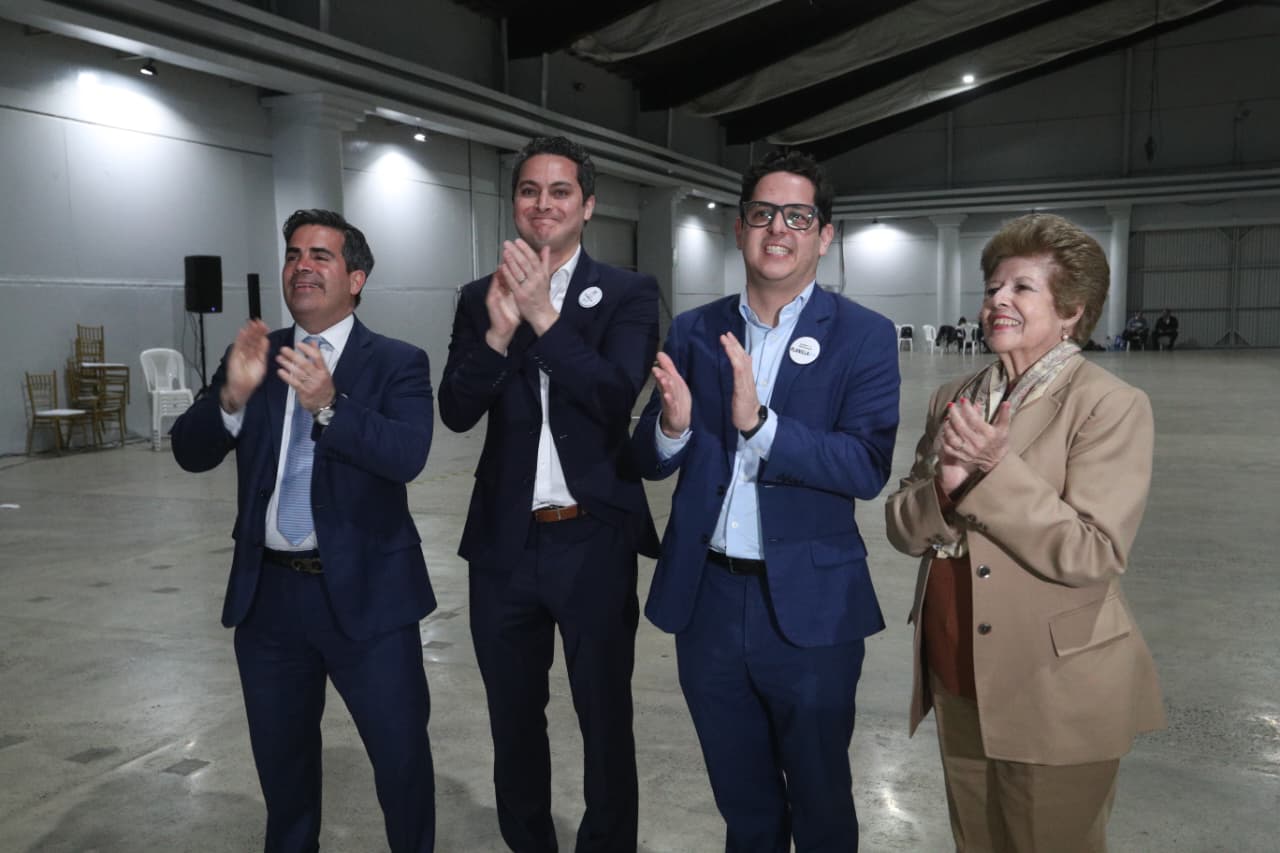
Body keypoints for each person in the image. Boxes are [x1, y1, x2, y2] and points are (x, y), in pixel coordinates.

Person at [631, 150, 900, 851]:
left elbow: (865, 465)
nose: (778, 228)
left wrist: (762, 425)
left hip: (809, 609)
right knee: (743, 804)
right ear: (740, 227)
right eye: (762, 213)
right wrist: (673, 427)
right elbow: (648, 460)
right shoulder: (696, 329)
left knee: (820, 800)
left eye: (798, 216)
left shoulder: (863, 335)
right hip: (709, 601)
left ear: (824, 235)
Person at [884, 213, 1165, 853]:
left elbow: (1093, 549)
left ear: (1071, 311)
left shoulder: (1108, 404)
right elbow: (902, 525)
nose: (997, 301)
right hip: (956, 673)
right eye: (992, 288)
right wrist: (943, 493)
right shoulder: (954, 396)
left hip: (1053, 685)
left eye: (1021, 288)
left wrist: (991, 474)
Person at [171, 209, 437, 852]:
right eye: (293, 254)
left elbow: (407, 455)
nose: (302, 266)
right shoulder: (256, 359)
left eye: (321, 255)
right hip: (270, 602)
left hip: (369, 600)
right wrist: (230, 399)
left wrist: (330, 406)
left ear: (357, 278)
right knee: (284, 773)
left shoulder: (397, 362)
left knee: (401, 762)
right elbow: (189, 451)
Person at [438, 136, 659, 853]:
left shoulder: (627, 293)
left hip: (592, 537)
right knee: (512, 719)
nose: (543, 204)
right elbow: (456, 410)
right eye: (529, 190)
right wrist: (498, 335)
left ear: (587, 205)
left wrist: (543, 316)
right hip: (504, 545)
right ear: (515, 204)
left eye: (560, 191)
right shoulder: (478, 297)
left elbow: (614, 395)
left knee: (604, 716)